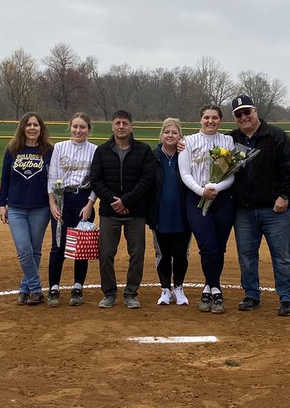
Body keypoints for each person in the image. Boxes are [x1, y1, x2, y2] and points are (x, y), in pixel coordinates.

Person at [229, 94, 290, 317]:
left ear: (255, 111)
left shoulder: (276, 135)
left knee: (282, 255)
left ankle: (287, 297)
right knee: (246, 255)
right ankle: (251, 294)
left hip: (274, 209)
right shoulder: (231, 140)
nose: (244, 117)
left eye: (247, 112)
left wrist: (284, 195)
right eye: (239, 114)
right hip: (243, 209)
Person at [90, 109, 155, 309]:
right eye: (117, 123)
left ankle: (131, 293)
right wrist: (113, 201)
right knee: (106, 253)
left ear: (131, 126)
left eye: (125, 123)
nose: (121, 127)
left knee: (136, 254)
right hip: (109, 212)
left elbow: (147, 180)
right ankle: (109, 293)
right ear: (112, 126)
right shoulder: (101, 151)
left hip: (135, 212)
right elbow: (96, 180)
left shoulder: (143, 150)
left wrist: (126, 201)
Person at [179, 104, 237, 313]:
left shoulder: (228, 141)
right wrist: (201, 190)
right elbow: (185, 173)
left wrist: (215, 188)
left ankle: (209, 288)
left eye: (214, 117)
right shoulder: (187, 142)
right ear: (200, 119)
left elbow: (231, 174)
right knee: (208, 246)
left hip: (222, 199)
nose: (210, 121)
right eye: (206, 117)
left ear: (220, 120)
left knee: (219, 247)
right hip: (196, 199)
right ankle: (216, 288)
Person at [0, 112, 53, 305]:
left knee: (34, 250)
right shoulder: (12, 149)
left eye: (36, 125)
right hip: (16, 207)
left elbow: (53, 180)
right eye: (28, 124)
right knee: (23, 249)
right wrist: (1, 204)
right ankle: (36, 289)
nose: (32, 128)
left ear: (41, 128)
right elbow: (5, 178)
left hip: (40, 207)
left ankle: (25, 288)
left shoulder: (49, 151)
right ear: (22, 127)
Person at [46, 112, 97, 306]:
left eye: (82, 127)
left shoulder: (94, 150)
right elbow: (52, 176)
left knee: (81, 246)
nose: (78, 130)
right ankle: (54, 287)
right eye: (75, 126)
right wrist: (52, 202)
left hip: (84, 199)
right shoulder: (59, 147)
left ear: (88, 129)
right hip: (61, 198)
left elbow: (96, 181)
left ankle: (77, 287)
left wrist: (90, 203)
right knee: (58, 243)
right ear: (70, 127)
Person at [149, 118, 191, 306]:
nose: (170, 135)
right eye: (167, 132)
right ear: (161, 135)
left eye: (174, 132)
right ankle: (165, 289)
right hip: (160, 214)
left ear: (180, 136)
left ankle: (179, 288)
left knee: (181, 253)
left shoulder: (186, 155)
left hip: (182, 214)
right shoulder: (153, 156)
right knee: (163, 253)